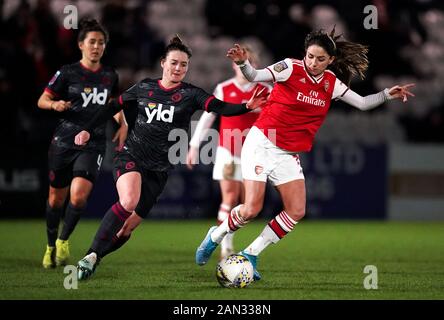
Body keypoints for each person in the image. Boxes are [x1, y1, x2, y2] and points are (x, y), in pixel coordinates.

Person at [195, 28, 415, 281]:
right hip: (262, 143)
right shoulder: (290, 68)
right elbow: (255, 75)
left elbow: (363, 103)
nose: (313, 62)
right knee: (251, 209)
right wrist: (243, 63)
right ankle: (216, 235)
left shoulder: (331, 82)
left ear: (331, 60)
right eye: (310, 56)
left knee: (297, 211)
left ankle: (251, 255)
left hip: (288, 153)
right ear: (305, 54)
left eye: (320, 59)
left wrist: (388, 93)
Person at [72, 35, 269, 280]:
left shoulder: (191, 94)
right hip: (132, 156)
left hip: (159, 169)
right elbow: (113, 106)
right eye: (174, 63)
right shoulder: (145, 87)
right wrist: (87, 128)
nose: (178, 68)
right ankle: (90, 255)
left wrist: (246, 107)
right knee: (128, 201)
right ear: (163, 63)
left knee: (126, 229)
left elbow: (219, 107)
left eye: (183, 65)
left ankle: (97, 256)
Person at [38, 19, 128, 269]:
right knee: (56, 200)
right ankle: (50, 246)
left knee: (78, 198)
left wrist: (123, 124)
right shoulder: (67, 72)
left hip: (93, 142)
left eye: (101, 42)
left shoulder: (110, 75)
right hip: (64, 140)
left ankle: (64, 240)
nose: (97, 46)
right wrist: (55, 104)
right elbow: (42, 100)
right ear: (81, 45)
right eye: (92, 42)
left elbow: (113, 106)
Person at [186, 45, 272, 259]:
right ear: (234, 65)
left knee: (249, 205)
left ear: (256, 65)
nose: (243, 65)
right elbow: (208, 116)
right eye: (240, 62)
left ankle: (226, 237)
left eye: (250, 61)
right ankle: (225, 245)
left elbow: (275, 119)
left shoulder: (265, 90)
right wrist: (194, 145)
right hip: (228, 151)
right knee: (229, 198)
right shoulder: (224, 88)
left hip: (254, 155)